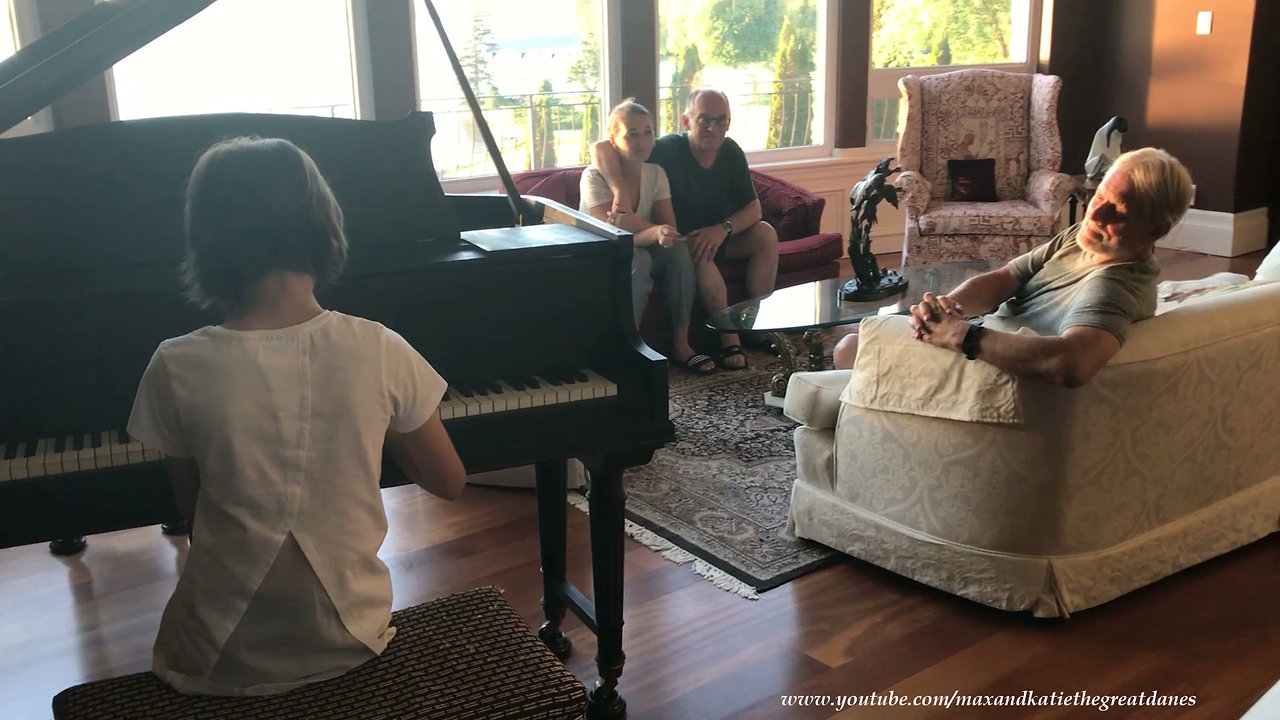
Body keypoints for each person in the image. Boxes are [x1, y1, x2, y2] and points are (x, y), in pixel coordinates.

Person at [127, 136, 466, 696]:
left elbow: (193, 510)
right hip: (351, 635)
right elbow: (449, 482)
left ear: (206, 241)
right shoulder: (378, 347)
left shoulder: (176, 363)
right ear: (324, 228)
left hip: (219, 654)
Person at [833, 147, 1194, 389]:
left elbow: (1073, 363)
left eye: (1119, 212)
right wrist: (949, 309)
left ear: (1156, 230)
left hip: (987, 366)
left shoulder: (1115, 284)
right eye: (1100, 198)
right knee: (860, 343)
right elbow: (1007, 278)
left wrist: (961, 336)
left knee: (850, 348)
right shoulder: (1080, 239)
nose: (1095, 214)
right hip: (978, 339)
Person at [592, 88, 779, 370]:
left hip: (720, 234)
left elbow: (754, 209)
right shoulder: (667, 148)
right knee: (701, 253)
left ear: (728, 122)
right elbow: (602, 147)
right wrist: (619, 189)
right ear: (686, 121)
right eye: (704, 119)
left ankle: (758, 326)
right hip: (684, 239)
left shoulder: (730, 151)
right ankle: (730, 340)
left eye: (721, 119)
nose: (713, 127)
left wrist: (722, 228)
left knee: (765, 233)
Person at [580, 99, 713, 374]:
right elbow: (613, 235)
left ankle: (681, 345)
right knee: (638, 260)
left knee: (677, 253)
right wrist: (653, 231)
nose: (642, 141)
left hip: (639, 243)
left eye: (648, 132)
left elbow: (670, 227)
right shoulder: (593, 177)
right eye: (632, 134)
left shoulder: (655, 173)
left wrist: (657, 232)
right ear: (614, 139)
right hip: (603, 255)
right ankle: (628, 347)